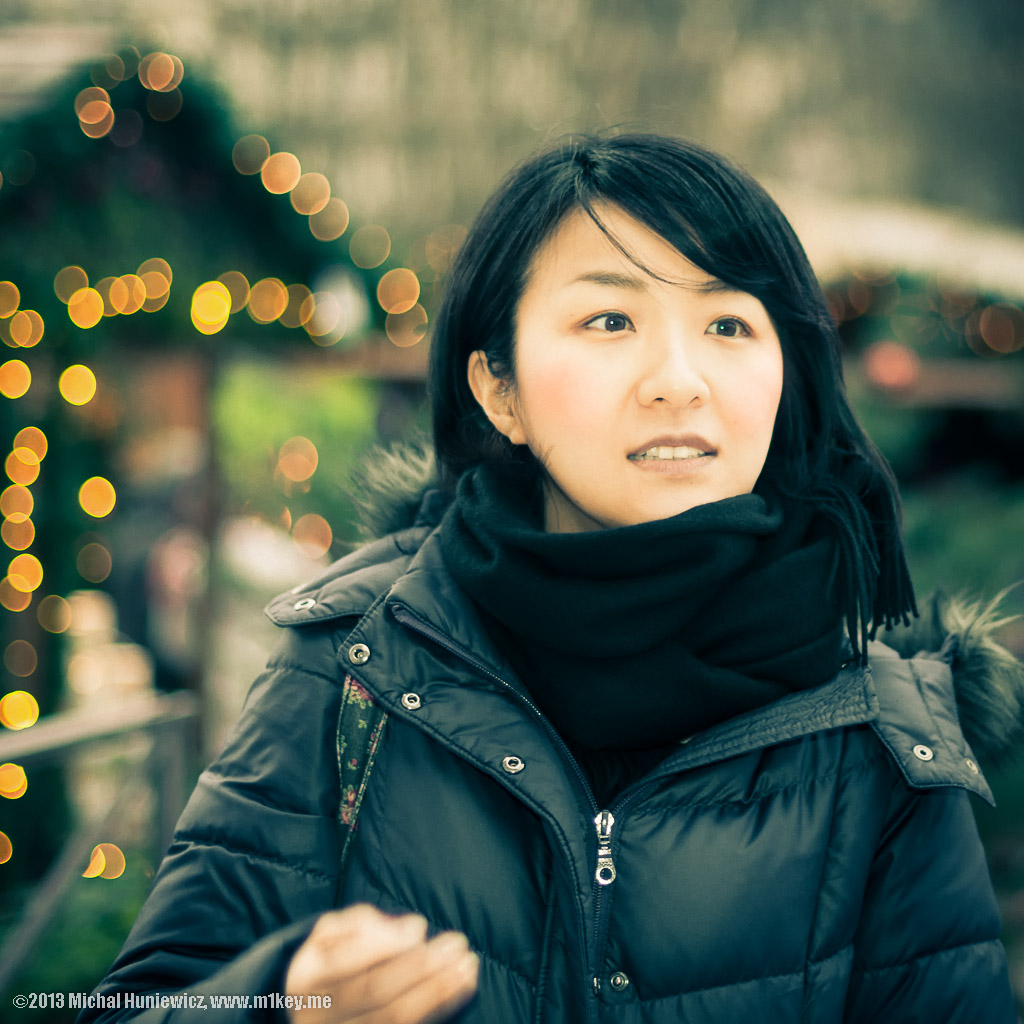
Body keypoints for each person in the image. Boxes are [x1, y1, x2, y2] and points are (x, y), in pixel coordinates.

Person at [81, 133, 1022, 1023]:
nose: (679, 379)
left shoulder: (885, 742)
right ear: (498, 389)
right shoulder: (354, 666)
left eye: (730, 322)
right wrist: (281, 997)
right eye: (610, 318)